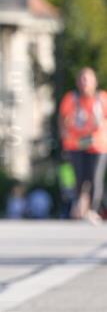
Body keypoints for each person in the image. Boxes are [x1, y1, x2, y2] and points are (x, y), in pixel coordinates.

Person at [58, 67, 107, 224]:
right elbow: (62, 118)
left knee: (95, 177)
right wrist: (64, 133)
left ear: (95, 82)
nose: (85, 83)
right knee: (80, 177)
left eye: (88, 79)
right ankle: (79, 206)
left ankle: (93, 209)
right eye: (82, 79)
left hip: (98, 144)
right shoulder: (71, 99)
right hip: (76, 144)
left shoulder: (102, 99)